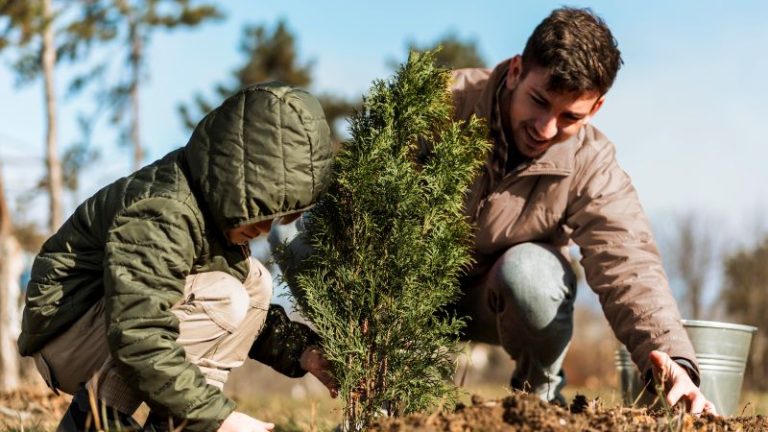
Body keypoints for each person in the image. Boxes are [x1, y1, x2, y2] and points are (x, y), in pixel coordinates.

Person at [17, 82, 338, 432]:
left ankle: (175, 425)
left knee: (254, 284)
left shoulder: (209, 210)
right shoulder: (164, 210)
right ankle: (94, 421)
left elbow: (243, 321)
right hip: (67, 333)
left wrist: (302, 352)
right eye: (261, 209)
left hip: (106, 326)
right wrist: (220, 419)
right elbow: (138, 330)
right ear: (234, 179)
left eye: (275, 217)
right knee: (224, 295)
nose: (263, 228)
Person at [449, 7, 715, 414]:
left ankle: (539, 404)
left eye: (570, 116)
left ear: (596, 108)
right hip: (413, 294)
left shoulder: (591, 163)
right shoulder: (442, 106)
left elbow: (628, 260)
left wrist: (672, 359)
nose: (546, 128)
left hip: (498, 302)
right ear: (517, 70)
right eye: (538, 101)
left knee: (532, 272)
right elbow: (359, 206)